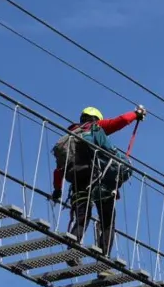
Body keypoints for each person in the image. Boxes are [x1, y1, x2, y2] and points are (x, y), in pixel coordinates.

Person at [50, 105, 145, 259]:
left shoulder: (68, 138)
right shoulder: (95, 127)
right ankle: (104, 256)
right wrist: (136, 114)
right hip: (97, 179)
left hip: (77, 181)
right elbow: (119, 121)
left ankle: (72, 250)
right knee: (107, 220)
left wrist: (57, 190)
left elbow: (59, 170)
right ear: (96, 119)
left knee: (83, 216)